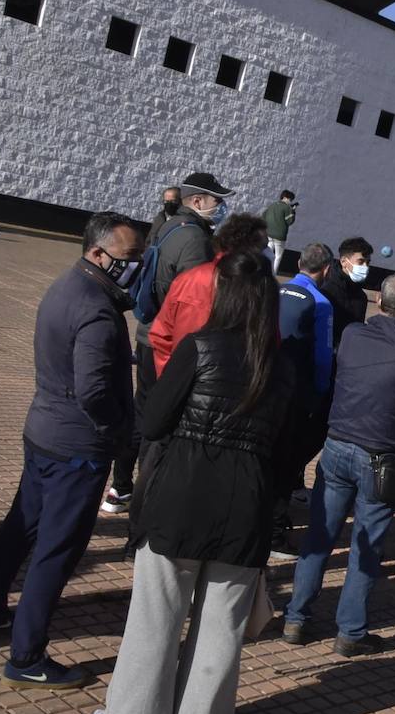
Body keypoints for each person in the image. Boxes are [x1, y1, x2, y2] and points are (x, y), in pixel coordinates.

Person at [89, 248, 293, 714]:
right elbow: (288, 449)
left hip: (181, 495)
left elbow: (153, 422)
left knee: (155, 618)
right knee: (221, 629)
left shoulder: (199, 347)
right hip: (246, 503)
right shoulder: (283, 367)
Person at [0, 213, 141, 688]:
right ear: (98, 253)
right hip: (76, 446)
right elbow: (92, 389)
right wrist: (115, 430)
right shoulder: (98, 310)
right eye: (130, 259)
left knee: (20, 527)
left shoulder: (67, 285)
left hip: (44, 430)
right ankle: (26, 655)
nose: (136, 267)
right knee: (57, 549)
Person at [284, 274, 395, 655]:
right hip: (382, 457)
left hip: (338, 446)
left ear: (378, 300)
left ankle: (296, 618)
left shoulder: (353, 335)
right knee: (366, 545)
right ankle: (350, 631)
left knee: (320, 535)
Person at [105, 172, 229, 516]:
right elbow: (195, 299)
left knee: (142, 410)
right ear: (198, 201)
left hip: (149, 332)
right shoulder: (195, 240)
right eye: (217, 200)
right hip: (169, 342)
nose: (221, 207)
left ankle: (121, 486)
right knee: (159, 422)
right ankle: (146, 496)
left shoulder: (168, 226)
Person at [270, 243, 336, 560]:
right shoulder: (321, 302)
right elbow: (323, 356)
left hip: (266, 384)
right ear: (327, 270)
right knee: (287, 461)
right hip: (296, 393)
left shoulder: (278, 291)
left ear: (298, 262)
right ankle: (275, 532)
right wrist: (320, 393)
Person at [144, 214, 268, 380]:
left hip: (184, 378)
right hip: (223, 383)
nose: (268, 252)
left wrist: (170, 378)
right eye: (263, 246)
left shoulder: (188, 278)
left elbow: (160, 335)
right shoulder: (256, 287)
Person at [320, 236, 373, 346]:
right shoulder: (327, 290)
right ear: (344, 262)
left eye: (368, 262)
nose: (365, 267)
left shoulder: (361, 296)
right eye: (361, 261)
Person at [261, 189, 297, 275]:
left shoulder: (272, 205)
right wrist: (293, 211)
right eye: (290, 199)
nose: (290, 201)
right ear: (285, 198)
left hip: (268, 234)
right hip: (280, 236)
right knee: (278, 256)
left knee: (268, 253)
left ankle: (264, 271)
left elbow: (263, 215)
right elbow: (290, 221)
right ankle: (273, 274)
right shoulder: (287, 208)